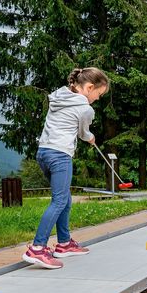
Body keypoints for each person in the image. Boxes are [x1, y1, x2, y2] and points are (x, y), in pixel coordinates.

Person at [22, 67, 109, 269]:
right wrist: (90, 137)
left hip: (43, 152)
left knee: (64, 198)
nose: (98, 98)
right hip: (60, 155)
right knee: (59, 200)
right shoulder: (86, 108)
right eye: (99, 94)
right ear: (89, 87)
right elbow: (82, 132)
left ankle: (64, 243)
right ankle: (37, 248)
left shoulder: (59, 96)